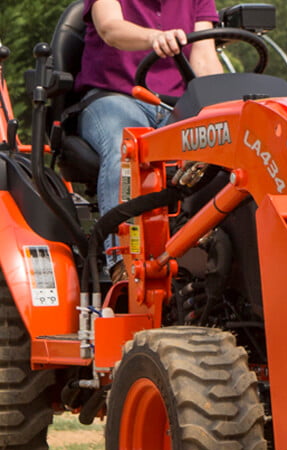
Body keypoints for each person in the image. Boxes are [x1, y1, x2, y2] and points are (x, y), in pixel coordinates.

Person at [76, 0, 222, 278]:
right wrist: (154, 37)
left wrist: (224, 106)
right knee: (129, 149)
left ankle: (209, 267)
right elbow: (110, 29)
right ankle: (123, 267)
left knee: (222, 154)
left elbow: (204, 57)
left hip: (177, 106)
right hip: (114, 97)